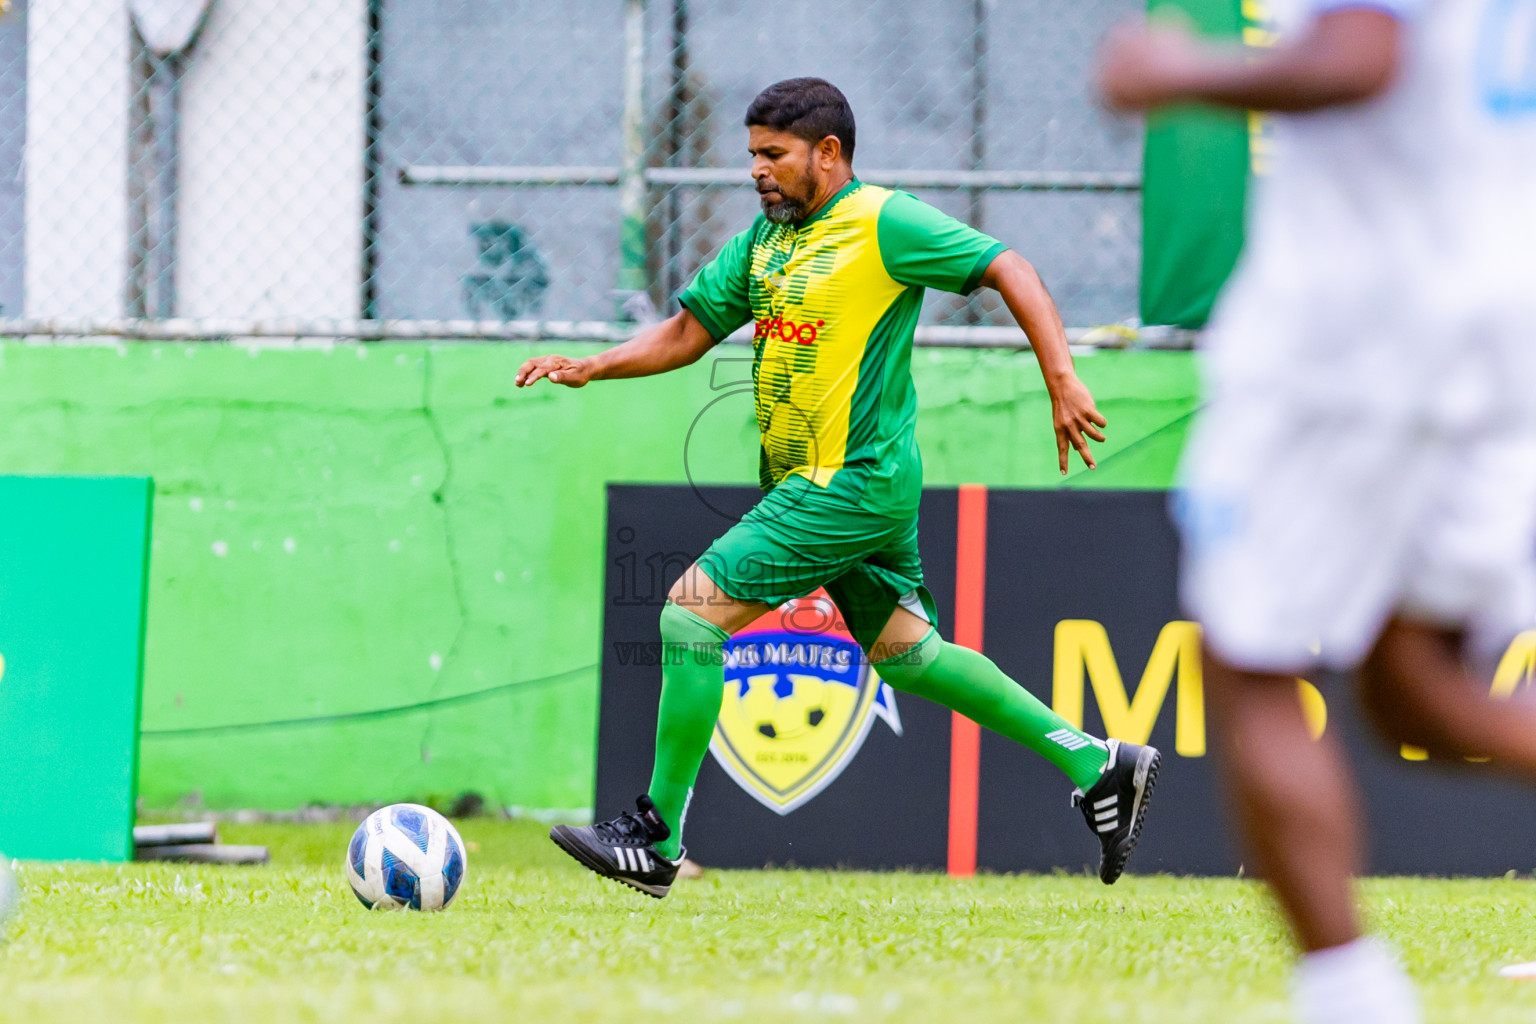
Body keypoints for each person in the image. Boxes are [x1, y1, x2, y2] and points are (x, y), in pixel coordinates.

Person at [516, 78, 1161, 897]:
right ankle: (1099, 764)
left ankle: (658, 836)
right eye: (751, 155)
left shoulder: (885, 222)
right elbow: (686, 332)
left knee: (690, 613)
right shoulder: (764, 243)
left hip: (847, 483)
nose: (757, 171)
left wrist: (1062, 380)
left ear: (828, 153)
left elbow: (1009, 267)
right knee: (910, 658)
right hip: (844, 484)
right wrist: (590, 367)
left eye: (773, 156)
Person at [1099, 4, 1536, 1022]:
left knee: (1251, 662)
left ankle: (1349, 998)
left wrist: (1176, 71)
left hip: (1353, 333)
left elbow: (1360, 57)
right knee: (1414, 682)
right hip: (1498, 323)